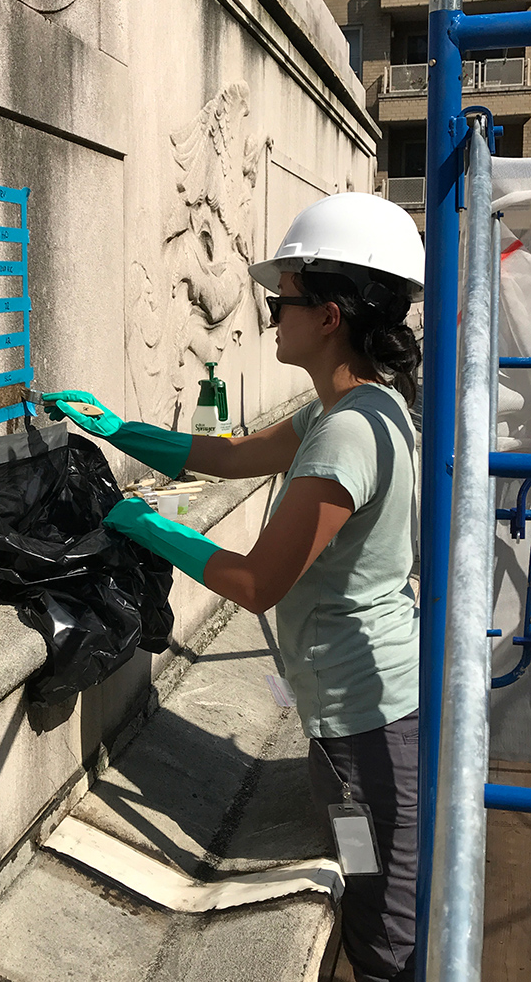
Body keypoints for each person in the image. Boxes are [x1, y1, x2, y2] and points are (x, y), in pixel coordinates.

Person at [43, 192, 424, 982]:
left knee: (382, 931)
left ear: (329, 314)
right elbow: (227, 457)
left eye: (280, 300)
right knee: (367, 892)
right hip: (349, 713)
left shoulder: (349, 433)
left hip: (367, 733)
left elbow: (255, 581)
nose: (268, 315)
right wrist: (119, 429)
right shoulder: (346, 407)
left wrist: (140, 522)